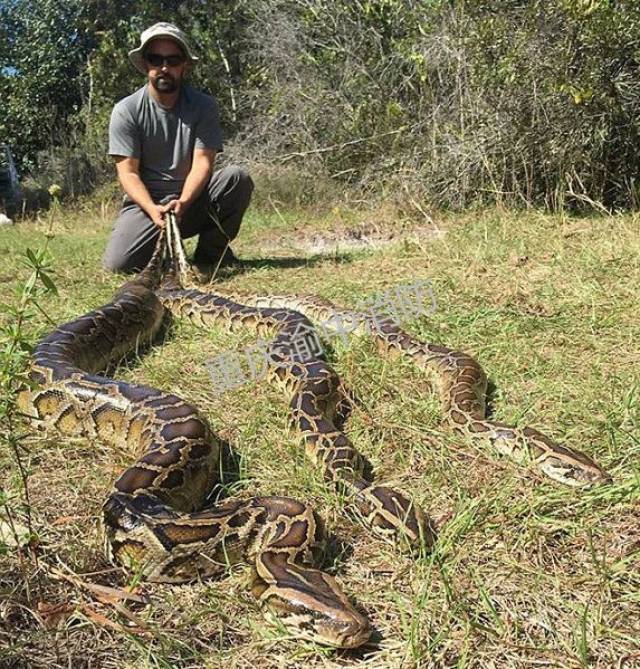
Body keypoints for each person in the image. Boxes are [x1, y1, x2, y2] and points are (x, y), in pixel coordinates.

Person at [103, 22, 253, 274]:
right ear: (145, 64)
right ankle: (160, 251)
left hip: (191, 200)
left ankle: (211, 255)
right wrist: (152, 209)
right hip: (147, 204)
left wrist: (183, 201)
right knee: (118, 265)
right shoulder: (126, 110)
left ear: (184, 65)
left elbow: (203, 163)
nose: (164, 67)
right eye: (156, 59)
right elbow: (127, 173)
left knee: (237, 178)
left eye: (173, 60)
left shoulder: (204, 106)